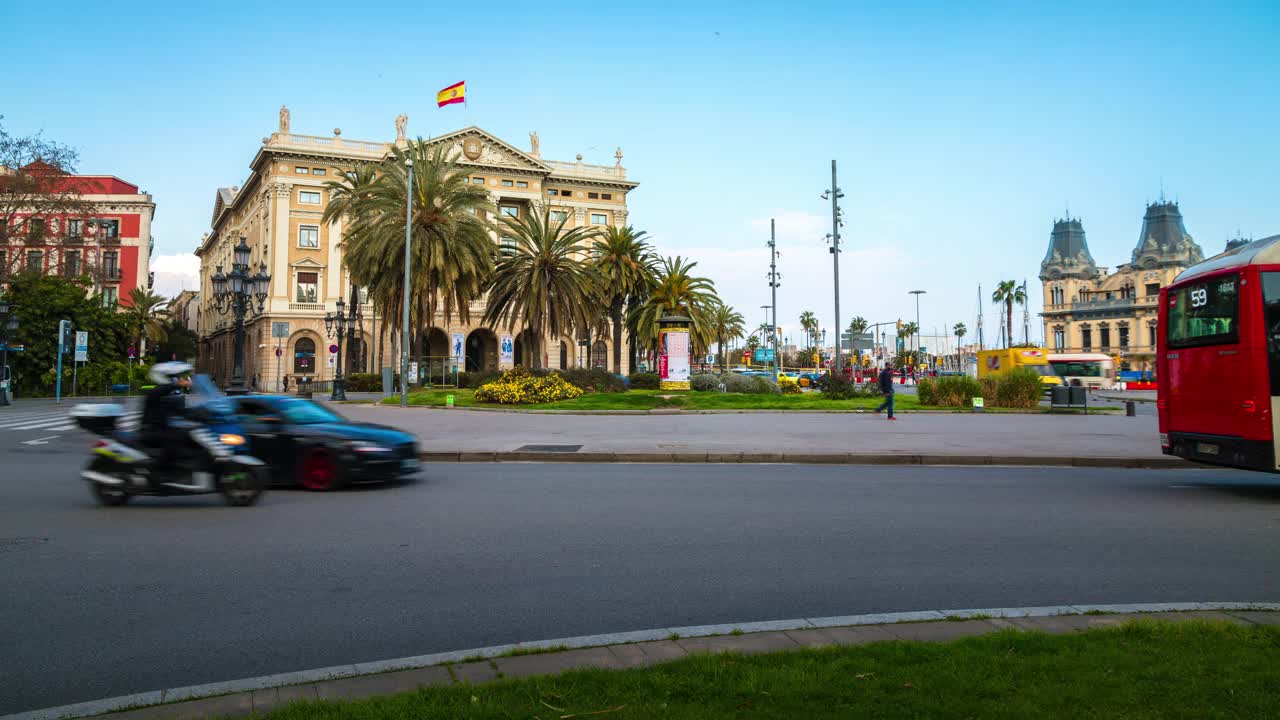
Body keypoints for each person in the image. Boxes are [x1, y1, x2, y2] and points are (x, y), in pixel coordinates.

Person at [140, 362, 194, 484]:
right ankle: (158, 472)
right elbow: (161, 391)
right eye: (171, 377)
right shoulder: (154, 392)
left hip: (162, 428)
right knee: (173, 440)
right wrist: (176, 384)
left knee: (186, 436)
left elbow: (181, 410)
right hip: (151, 430)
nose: (175, 379)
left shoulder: (168, 393)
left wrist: (201, 412)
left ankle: (181, 467)